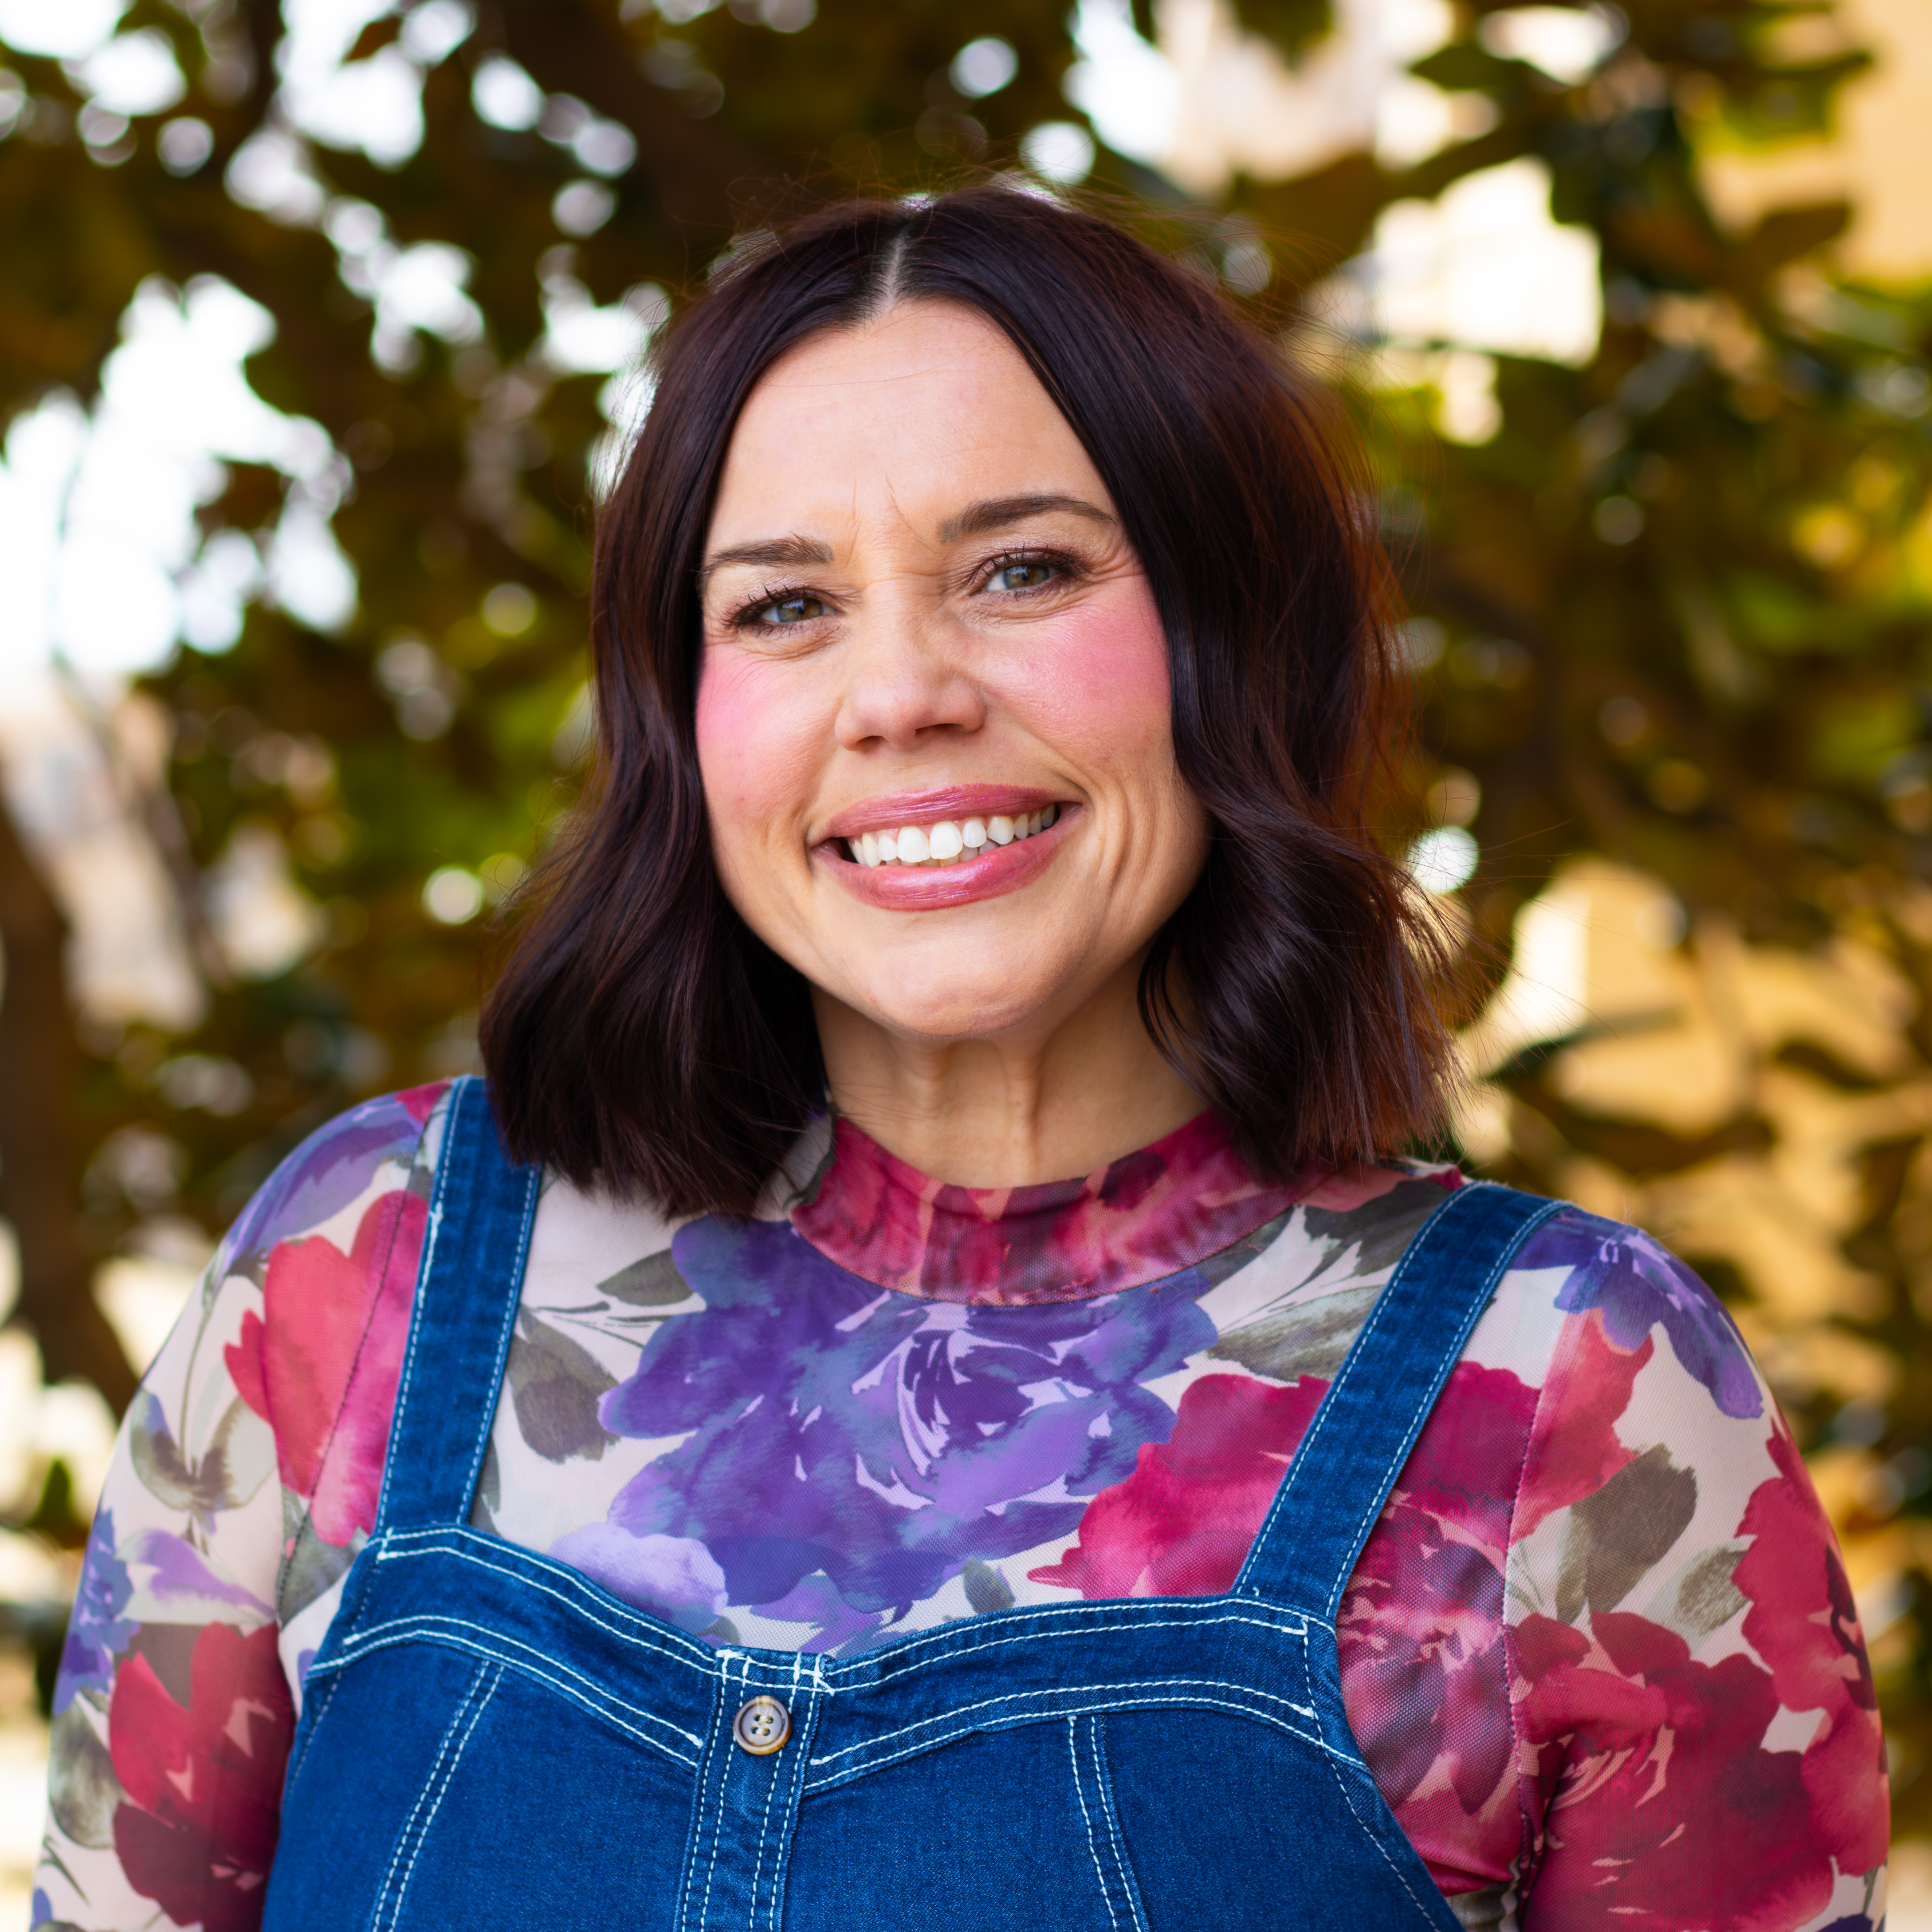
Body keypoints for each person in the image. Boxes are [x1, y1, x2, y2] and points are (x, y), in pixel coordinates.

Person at [36, 186, 1887, 1932]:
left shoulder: (1570, 1393)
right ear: (685, 723)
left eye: (1018, 570)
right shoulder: (366, 1273)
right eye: (783, 604)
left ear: (1225, 635)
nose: (902, 690)